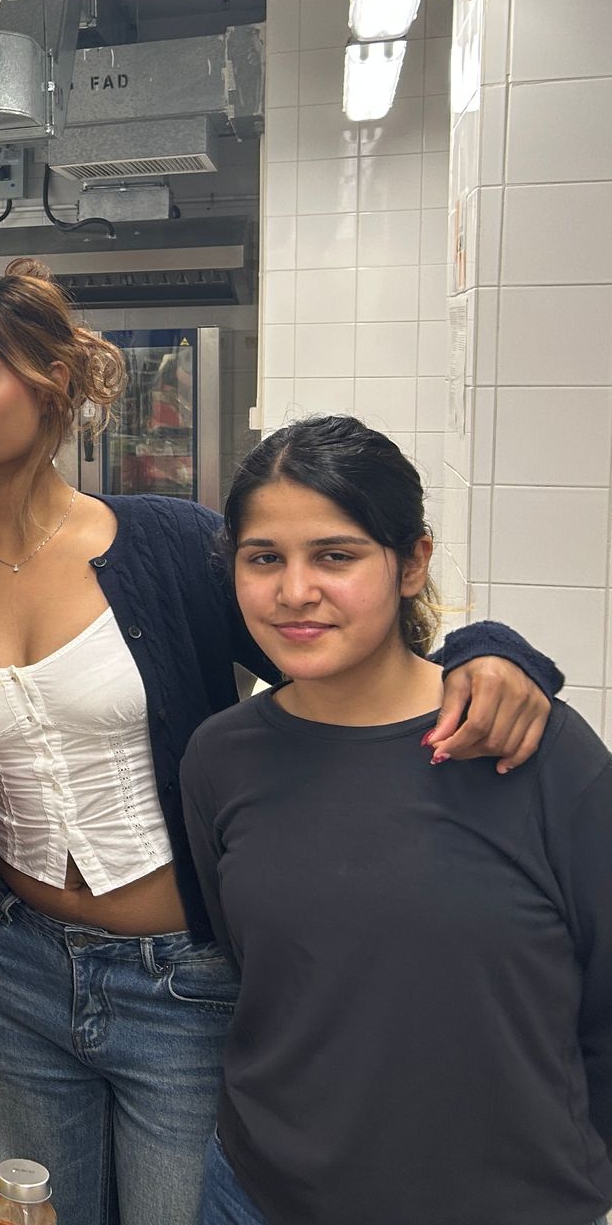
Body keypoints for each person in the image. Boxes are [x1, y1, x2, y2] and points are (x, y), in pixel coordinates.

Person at [0, 260, 563, 1225]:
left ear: (50, 381)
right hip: (18, 975)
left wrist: (488, 649)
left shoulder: (169, 544)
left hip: (185, 982)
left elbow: (339, 649)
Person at [184, 415, 612, 1225]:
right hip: (259, 1196)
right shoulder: (220, 756)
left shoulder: (534, 749)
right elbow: (259, 968)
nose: (294, 591)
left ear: (411, 563)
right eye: (264, 558)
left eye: (335, 556)